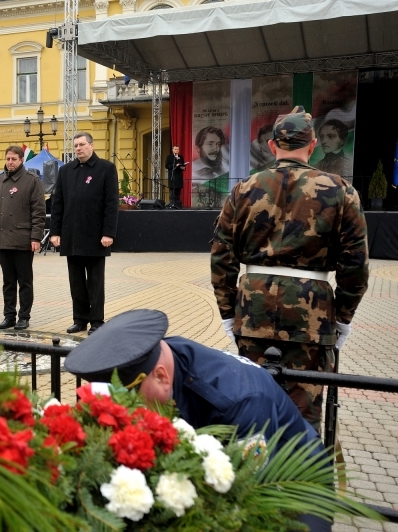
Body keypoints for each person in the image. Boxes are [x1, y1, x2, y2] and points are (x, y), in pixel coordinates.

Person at [64, 309, 332, 532]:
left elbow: (246, 494)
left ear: (160, 376)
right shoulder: (163, 354)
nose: (129, 409)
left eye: (132, 396)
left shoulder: (238, 402)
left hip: (294, 486)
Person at [211, 106, 369, 430]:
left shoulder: (243, 190)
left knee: (253, 402)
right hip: (311, 315)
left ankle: (254, 475)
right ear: (312, 146)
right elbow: (356, 264)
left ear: (272, 146)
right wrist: (343, 317)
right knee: (303, 409)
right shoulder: (341, 191)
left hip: (253, 310)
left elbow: (222, 255)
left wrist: (228, 313)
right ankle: (299, 475)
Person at [49, 132, 119, 335]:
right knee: (76, 282)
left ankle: (96, 320)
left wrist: (109, 233)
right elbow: (58, 204)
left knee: (95, 282)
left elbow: (111, 204)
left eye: (82, 144)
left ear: (91, 145)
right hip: (72, 236)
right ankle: (79, 319)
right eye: (76, 146)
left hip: (97, 237)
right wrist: (55, 232)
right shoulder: (66, 171)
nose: (78, 148)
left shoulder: (106, 168)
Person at [0, 145, 46, 330]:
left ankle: (24, 316)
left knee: (24, 281)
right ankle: (9, 315)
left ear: (21, 161)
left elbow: (39, 212)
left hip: (23, 240)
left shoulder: (32, 181)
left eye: (14, 159)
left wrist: (36, 238)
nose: (10, 162)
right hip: (2, 239)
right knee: (8, 281)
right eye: (8, 159)